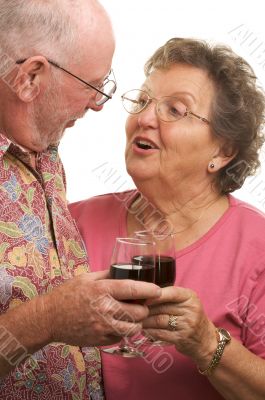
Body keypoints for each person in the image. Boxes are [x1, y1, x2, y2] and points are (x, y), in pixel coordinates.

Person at [70, 37, 265, 399]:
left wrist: (207, 344)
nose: (144, 118)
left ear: (222, 151)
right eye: (142, 102)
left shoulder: (258, 247)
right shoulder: (73, 221)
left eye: (175, 110)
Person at [0, 1, 161, 399]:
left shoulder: (44, 151)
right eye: (92, 85)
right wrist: (47, 319)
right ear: (31, 78)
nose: (97, 104)